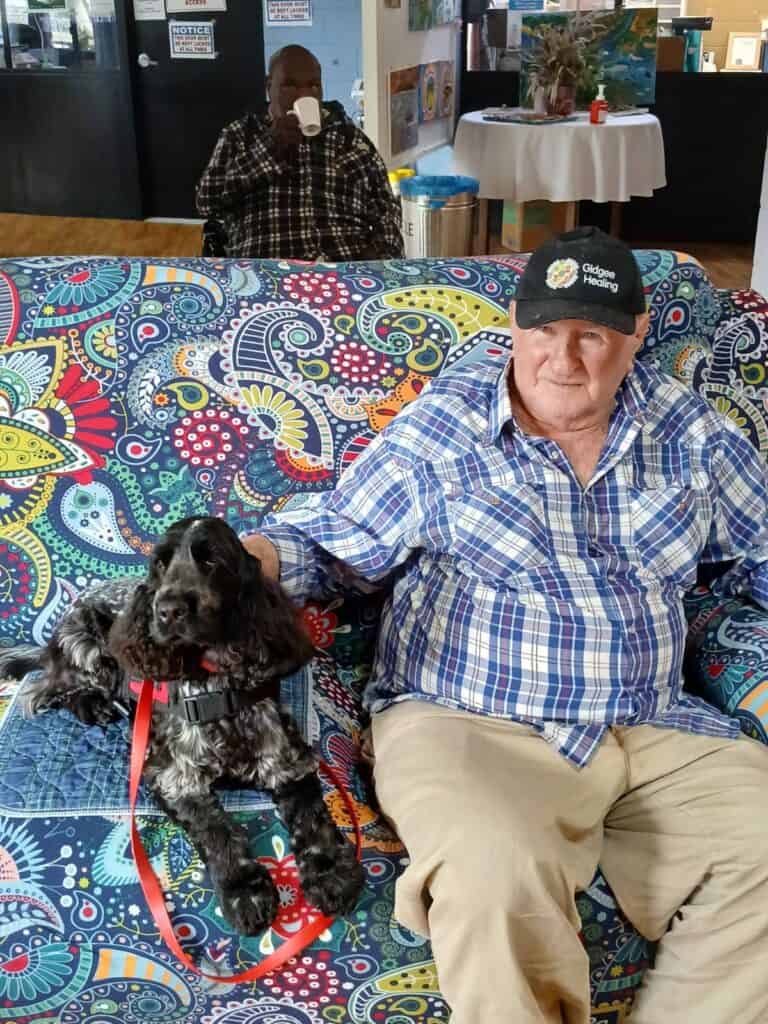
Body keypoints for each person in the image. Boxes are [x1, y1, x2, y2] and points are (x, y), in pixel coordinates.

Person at [244, 227, 768, 1024]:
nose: (563, 358)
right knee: (493, 871)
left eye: (591, 334)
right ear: (515, 326)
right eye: (544, 331)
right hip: (467, 717)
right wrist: (250, 562)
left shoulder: (687, 433)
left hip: (649, 724)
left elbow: (759, 550)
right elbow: (333, 547)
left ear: (634, 336)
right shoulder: (449, 427)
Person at [196, 45, 404, 262]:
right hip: (267, 272)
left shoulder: (350, 139)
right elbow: (206, 203)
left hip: (345, 269)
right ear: (269, 87)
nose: (305, 95)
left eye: (314, 86)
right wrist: (269, 148)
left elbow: (387, 210)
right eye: (290, 86)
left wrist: (380, 257)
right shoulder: (239, 136)